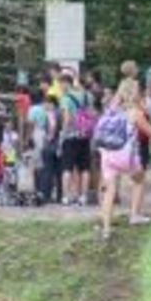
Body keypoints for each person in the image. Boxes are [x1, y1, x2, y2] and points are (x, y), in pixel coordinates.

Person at [97, 77, 151, 239]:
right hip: (126, 155)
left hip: (107, 154)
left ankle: (106, 229)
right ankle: (134, 215)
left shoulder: (110, 110)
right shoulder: (136, 112)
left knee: (109, 191)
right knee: (139, 180)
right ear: (135, 93)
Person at [59, 72, 94, 206]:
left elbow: (67, 118)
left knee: (67, 167)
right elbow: (91, 114)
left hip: (70, 136)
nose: (61, 87)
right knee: (84, 168)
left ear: (66, 83)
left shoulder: (66, 98)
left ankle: (66, 197)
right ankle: (83, 196)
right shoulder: (88, 95)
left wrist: (63, 132)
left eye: (61, 84)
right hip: (85, 135)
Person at [27, 88, 60, 204]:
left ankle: (38, 190)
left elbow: (31, 124)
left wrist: (28, 138)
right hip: (46, 137)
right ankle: (46, 191)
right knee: (46, 166)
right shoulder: (46, 109)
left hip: (37, 135)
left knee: (37, 165)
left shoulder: (33, 109)